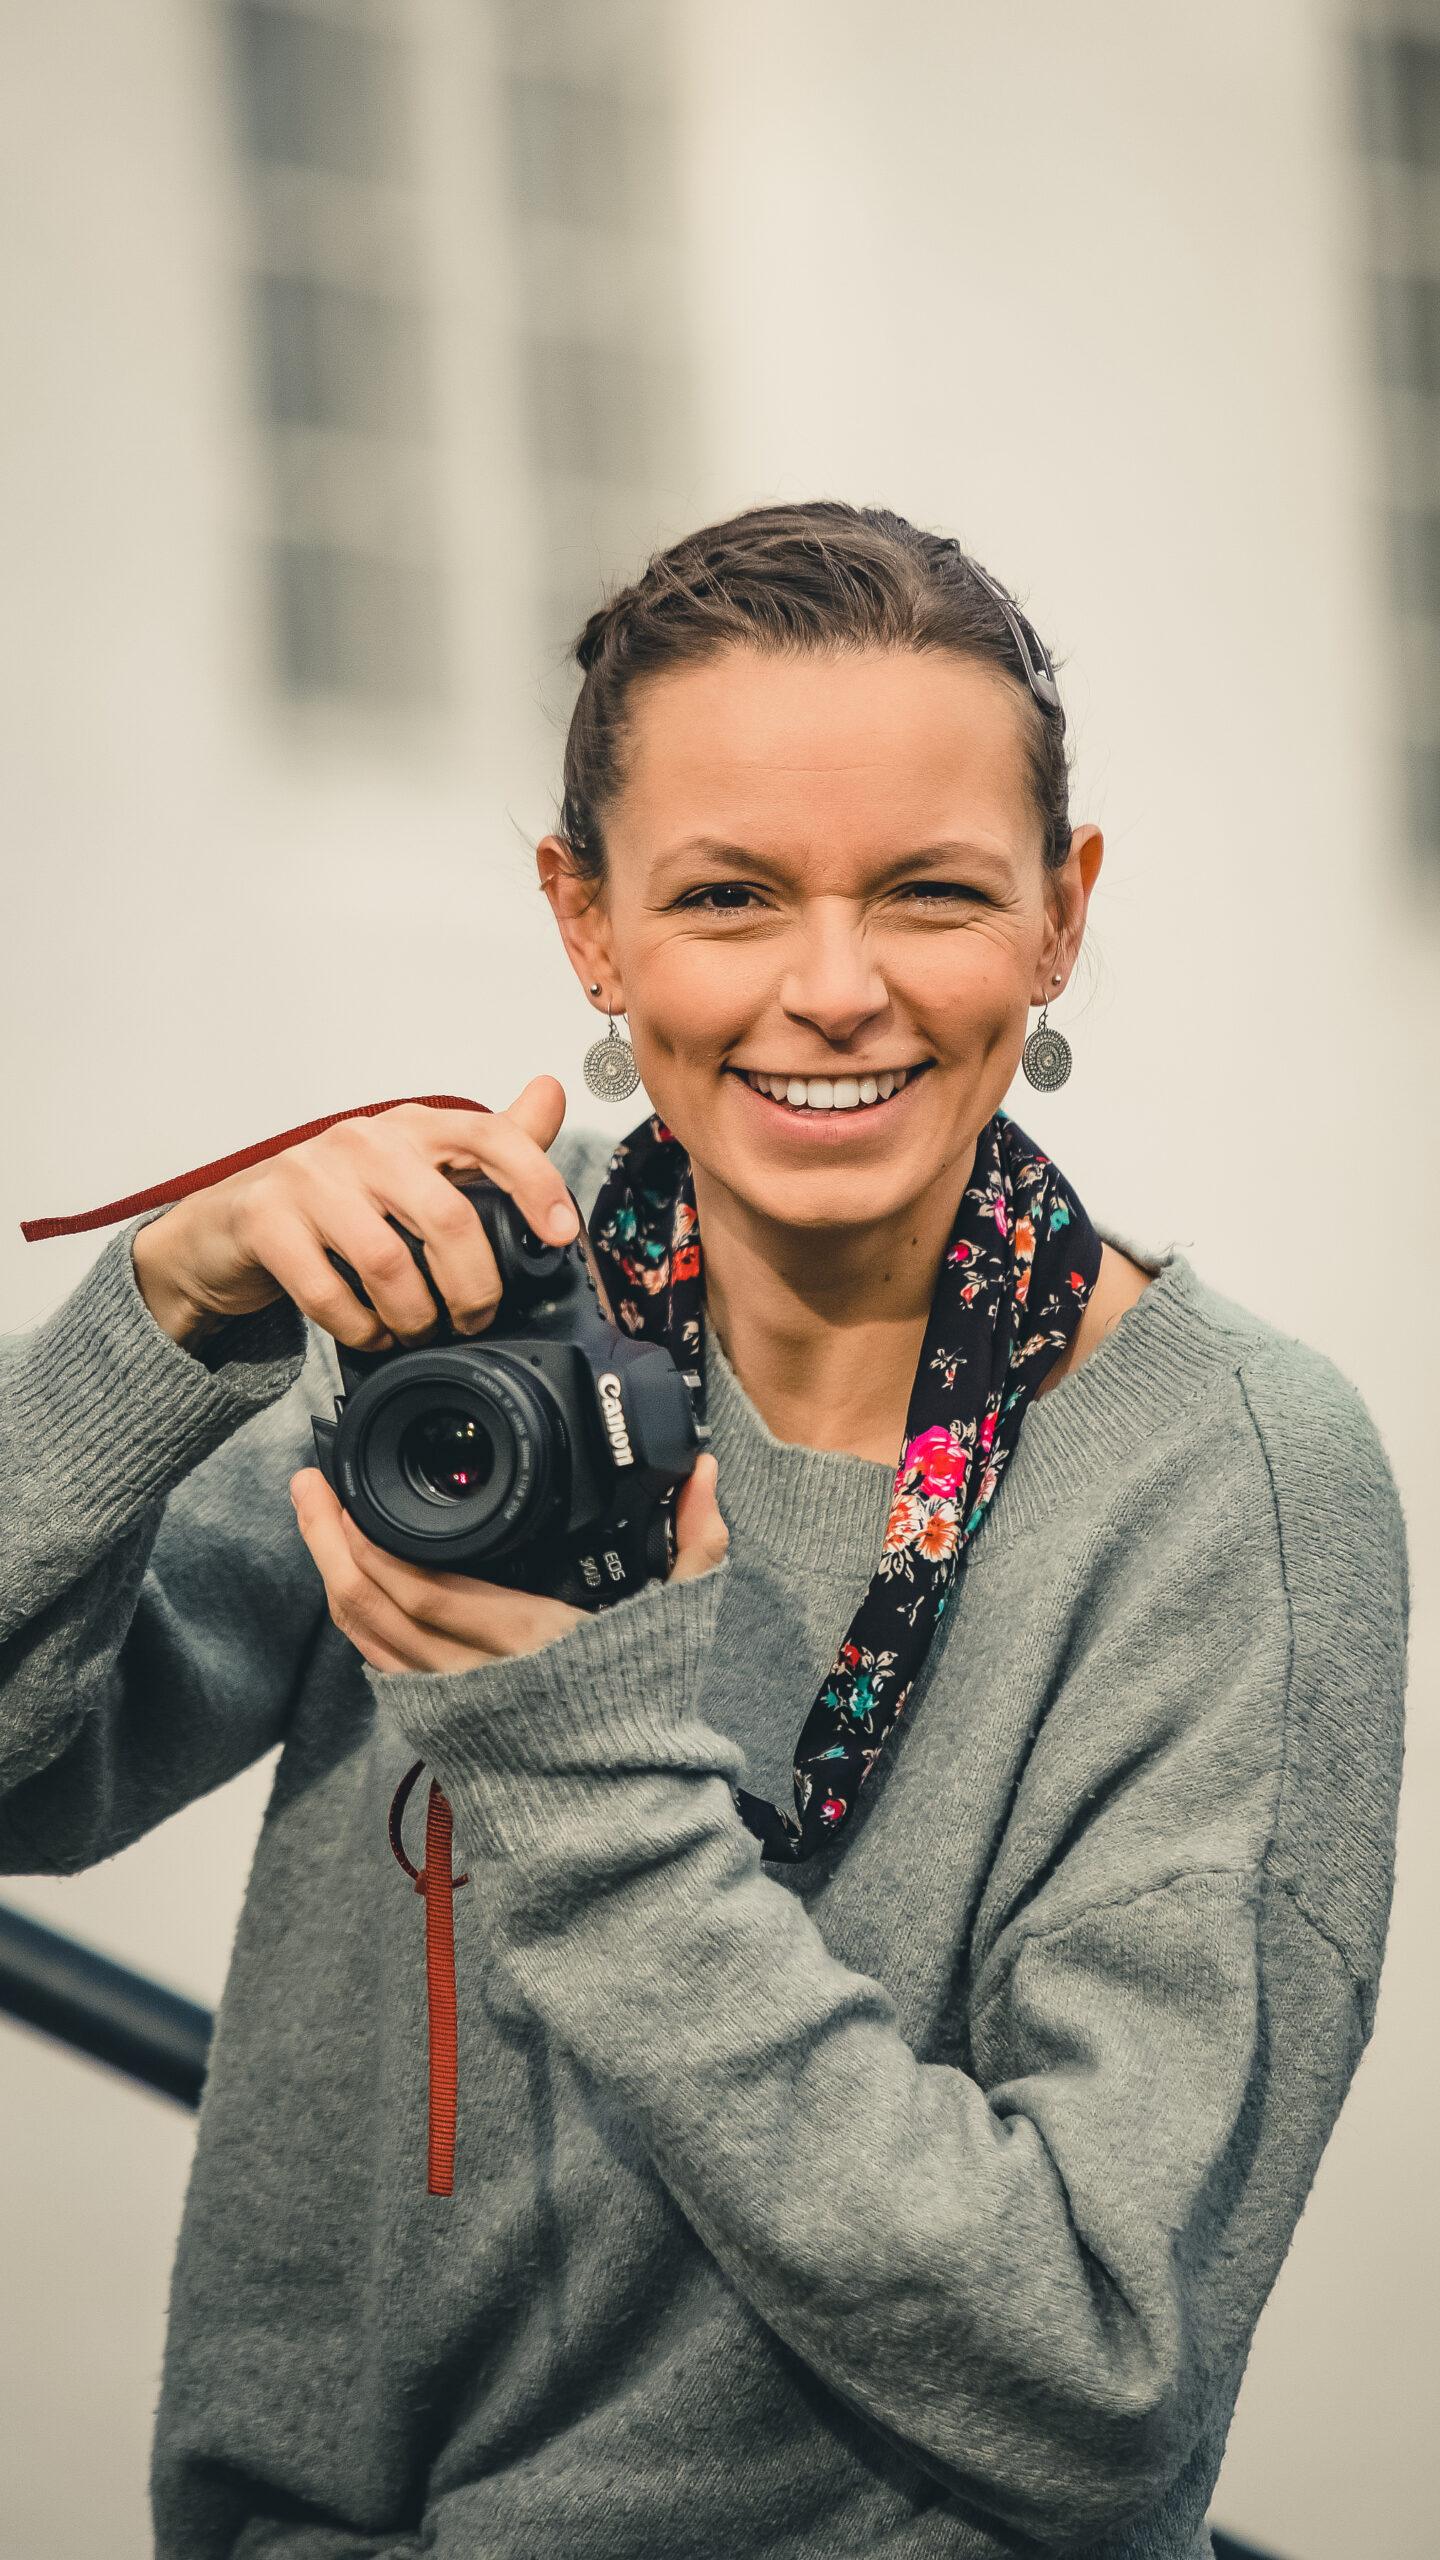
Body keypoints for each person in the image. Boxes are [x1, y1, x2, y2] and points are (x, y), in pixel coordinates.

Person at [0, 503, 1407, 2560]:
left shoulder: (1237, 1478)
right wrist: (162, 1319)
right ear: (587, 919)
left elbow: (1104, 2372)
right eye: (730, 893)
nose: (830, 992)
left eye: (929, 891)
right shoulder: (442, 1323)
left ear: (1061, 913)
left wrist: (584, 1774)